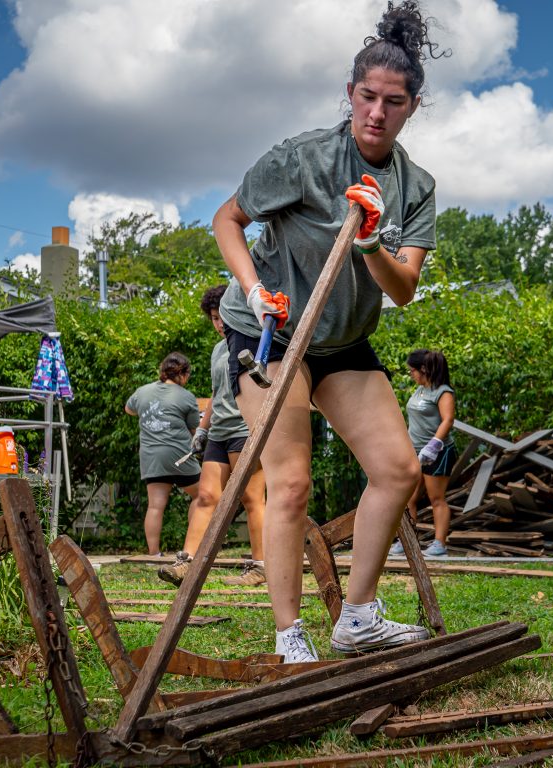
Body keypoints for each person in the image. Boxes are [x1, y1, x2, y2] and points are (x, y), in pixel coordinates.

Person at [212, 1, 443, 662]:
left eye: (393, 102)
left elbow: (402, 288)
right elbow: (227, 220)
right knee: (289, 483)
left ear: (412, 108)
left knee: (398, 468)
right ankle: (291, 639)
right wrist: (255, 294)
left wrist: (371, 241)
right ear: (350, 94)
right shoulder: (303, 159)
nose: (377, 112)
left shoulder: (416, 187)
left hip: (342, 340)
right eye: (366, 97)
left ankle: (359, 617)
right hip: (271, 333)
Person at [158, 286, 267, 587]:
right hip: (219, 431)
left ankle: (261, 566)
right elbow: (219, 395)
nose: (219, 324)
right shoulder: (218, 350)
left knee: (251, 498)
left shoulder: (255, 341)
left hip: (245, 431)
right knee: (206, 497)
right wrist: (202, 430)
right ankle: (186, 564)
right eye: (214, 318)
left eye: (222, 317)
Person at [125, 353, 202, 556]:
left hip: (152, 457)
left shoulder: (142, 391)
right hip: (179, 456)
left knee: (155, 506)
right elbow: (196, 429)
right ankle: (191, 548)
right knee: (201, 496)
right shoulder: (186, 396)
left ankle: (154, 553)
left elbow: (129, 409)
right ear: (184, 374)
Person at [389, 349, 456, 557]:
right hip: (415, 451)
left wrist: (434, 444)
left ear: (424, 370)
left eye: (413, 370)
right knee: (409, 497)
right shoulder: (420, 390)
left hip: (438, 453)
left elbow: (448, 420)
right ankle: (406, 541)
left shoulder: (443, 392)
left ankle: (439, 544)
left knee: (437, 498)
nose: (411, 374)